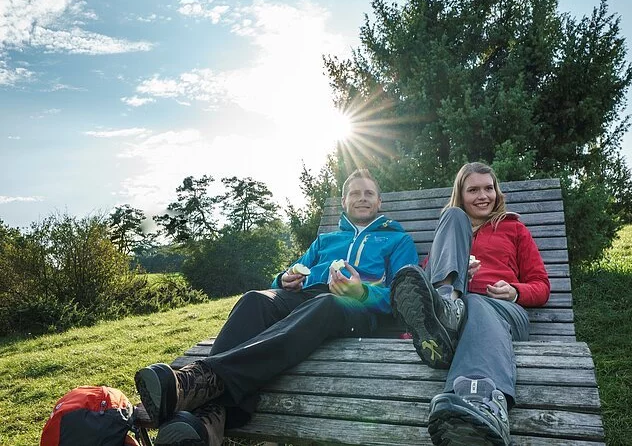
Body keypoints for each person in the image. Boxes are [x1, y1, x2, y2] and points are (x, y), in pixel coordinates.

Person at [134, 168, 418, 446]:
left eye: (369, 193)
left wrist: (363, 291)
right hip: (307, 297)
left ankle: (196, 381)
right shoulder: (326, 240)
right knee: (254, 300)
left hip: (356, 308)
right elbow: (288, 274)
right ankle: (213, 419)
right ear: (344, 202)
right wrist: (283, 278)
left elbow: (405, 294)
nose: (362, 198)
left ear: (380, 202)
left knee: (326, 302)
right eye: (355, 193)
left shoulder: (398, 240)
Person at [391, 162, 550, 446]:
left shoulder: (514, 229)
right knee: (451, 221)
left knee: (477, 302)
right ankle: (446, 315)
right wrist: (459, 273)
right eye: (473, 189)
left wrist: (514, 291)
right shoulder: (450, 227)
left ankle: (488, 404)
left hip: (505, 315)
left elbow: (541, 286)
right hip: (459, 310)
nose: (483, 196)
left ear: (497, 192)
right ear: (461, 194)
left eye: (488, 188)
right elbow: (424, 282)